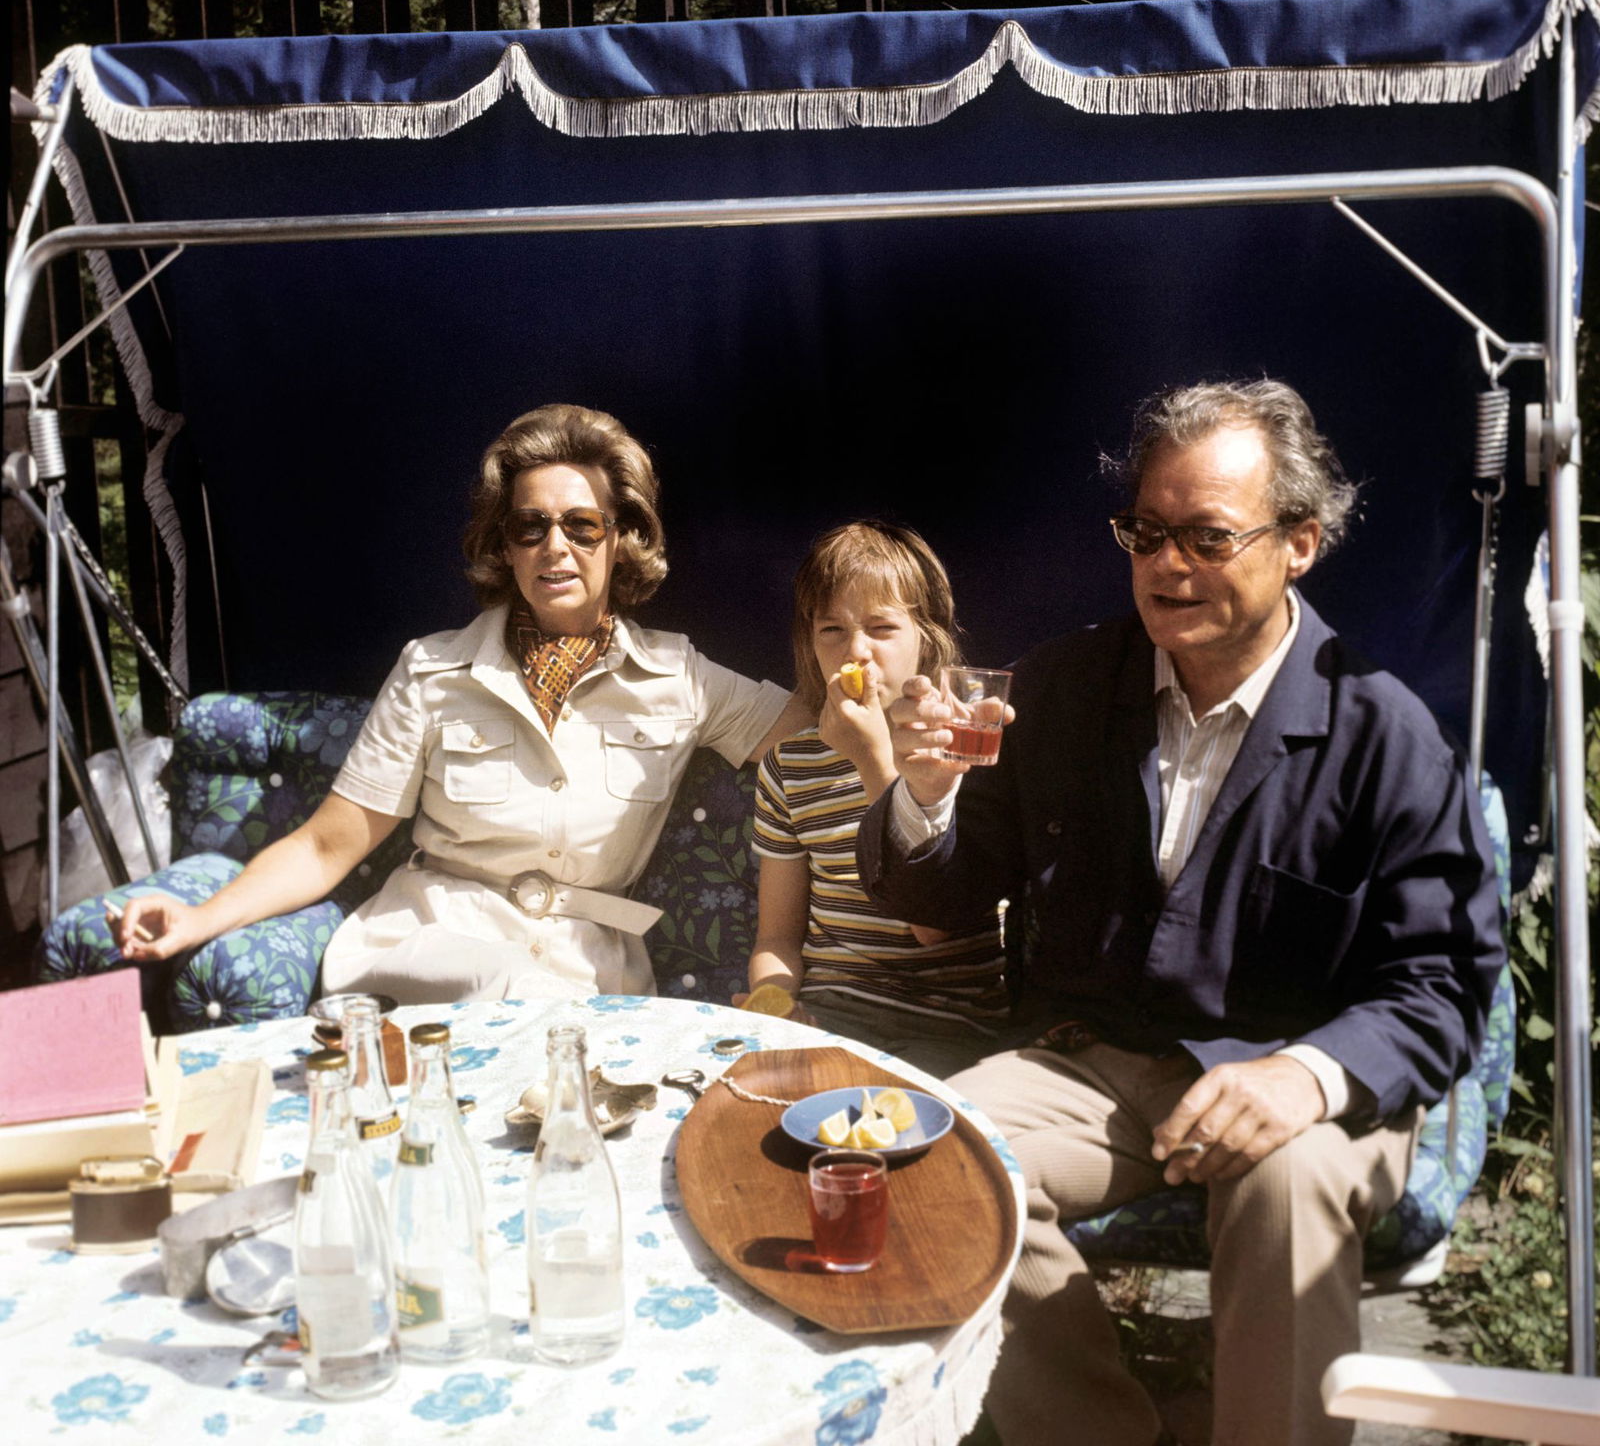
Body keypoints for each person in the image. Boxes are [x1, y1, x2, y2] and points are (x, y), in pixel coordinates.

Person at [857, 380, 1504, 1446]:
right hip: (1098, 1061)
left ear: (1298, 542)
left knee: (1284, 1185)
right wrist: (923, 797)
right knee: (931, 1157)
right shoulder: (1065, 685)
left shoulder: (1381, 728)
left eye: (1206, 536)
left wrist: (1307, 1074)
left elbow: (1440, 982)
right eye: (1146, 531)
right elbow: (948, 890)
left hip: (1305, 1068)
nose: (1167, 565)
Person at [115, 404, 807, 1001]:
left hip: (586, 975)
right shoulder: (432, 670)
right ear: (504, 548)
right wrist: (197, 918)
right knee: (510, 998)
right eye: (529, 527)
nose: (554, 547)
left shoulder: (677, 676)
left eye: (581, 526)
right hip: (431, 952)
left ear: (620, 538)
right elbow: (327, 846)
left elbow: (814, 740)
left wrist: (896, 728)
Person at [743, 521, 1008, 1077]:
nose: (855, 652)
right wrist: (777, 1004)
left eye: (882, 627)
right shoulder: (790, 768)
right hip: (831, 1015)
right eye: (831, 629)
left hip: (950, 1026)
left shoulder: (967, 748)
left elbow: (932, 927)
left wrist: (872, 761)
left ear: (926, 640)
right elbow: (777, 938)